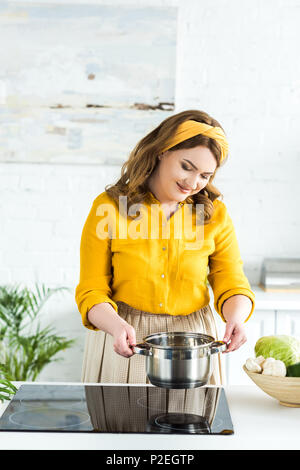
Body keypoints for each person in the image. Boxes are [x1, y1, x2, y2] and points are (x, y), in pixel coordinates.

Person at [75, 109, 255, 385]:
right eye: (186, 167)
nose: (193, 183)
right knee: (120, 424)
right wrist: (116, 325)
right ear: (162, 151)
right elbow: (91, 289)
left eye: (205, 175)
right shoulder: (109, 208)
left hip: (193, 342)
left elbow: (231, 281)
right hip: (124, 337)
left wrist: (236, 318)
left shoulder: (213, 214)